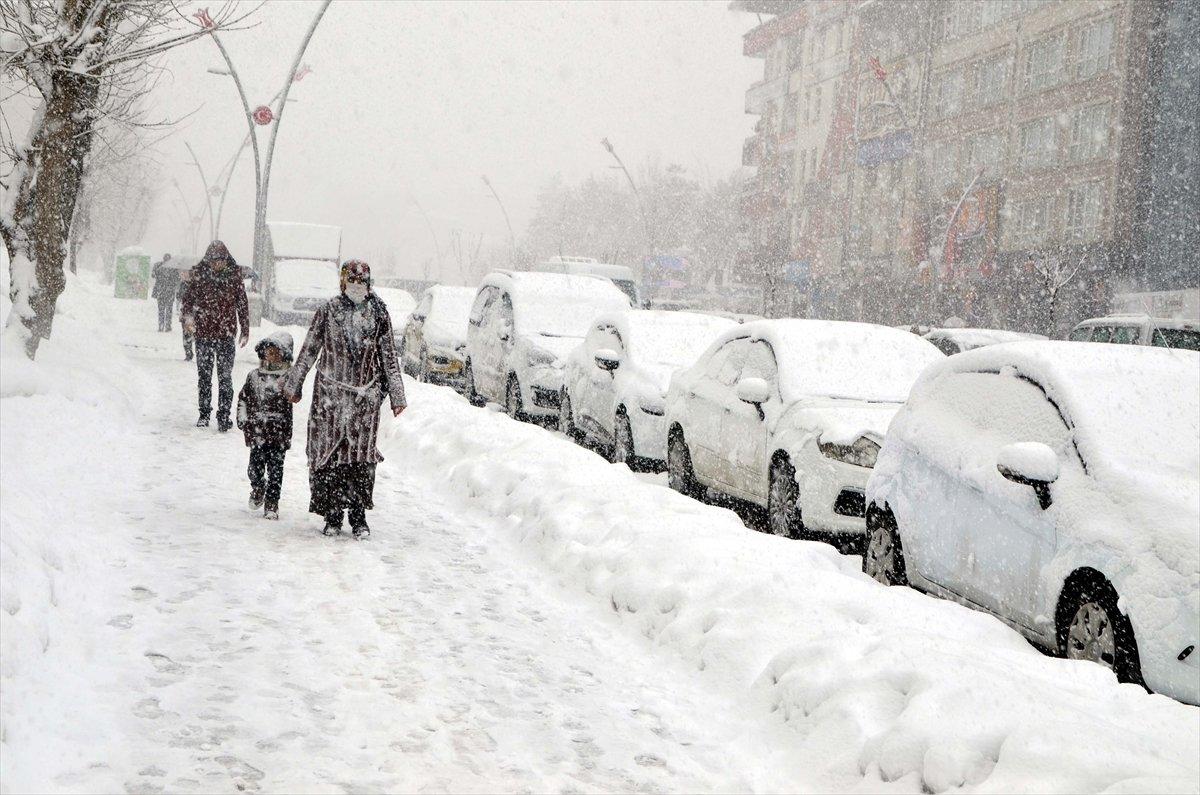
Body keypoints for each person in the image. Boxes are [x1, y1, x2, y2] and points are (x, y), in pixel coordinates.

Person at [282, 260, 406, 539]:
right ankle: (333, 514)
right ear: (342, 282)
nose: (357, 286)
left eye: (362, 282)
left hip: (365, 399)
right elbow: (309, 349)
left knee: (360, 459)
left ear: (369, 284)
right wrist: (294, 384)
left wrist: (396, 395)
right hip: (330, 398)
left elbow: (388, 356)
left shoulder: (379, 313)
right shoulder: (328, 310)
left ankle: (359, 516)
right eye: (352, 281)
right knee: (331, 457)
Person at [181, 240, 249, 431]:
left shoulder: (234, 277)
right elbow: (187, 301)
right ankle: (204, 414)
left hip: (226, 335)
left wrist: (245, 330)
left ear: (226, 260)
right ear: (208, 260)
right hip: (204, 334)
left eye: (220, 260)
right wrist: (188, 319)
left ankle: (224, 416)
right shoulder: (199, 276)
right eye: (213, 260)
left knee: (225, 377)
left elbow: (242, 304)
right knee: (204, 376)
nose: (217, 263)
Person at [237, 332, 295, 520]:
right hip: (257, 432)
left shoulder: (287, 378)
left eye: (277, 353)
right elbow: (243, 398)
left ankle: (272, 502)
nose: (271, 356)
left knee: (276, 471)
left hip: (278, 434)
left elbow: (294, 397)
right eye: (269, 352)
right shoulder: (254, 376)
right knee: (254, 467)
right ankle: (258, 487)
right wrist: (242, 416)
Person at [151, 254, 181, 332]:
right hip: (170, 292)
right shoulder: (174, 268)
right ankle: (168, 326)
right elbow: (178, 279)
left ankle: (161, 325)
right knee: (169, 310)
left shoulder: (158, 266)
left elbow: (153, 275)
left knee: (161, 310)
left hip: (160, 291)